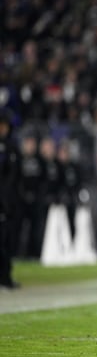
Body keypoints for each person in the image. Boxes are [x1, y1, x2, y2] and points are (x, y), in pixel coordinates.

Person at [0, 112, 20, 289]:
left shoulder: (11, 146)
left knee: (7, 241)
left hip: (7, 202)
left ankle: (6, 276)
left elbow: (14, 178)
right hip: (4, 200)